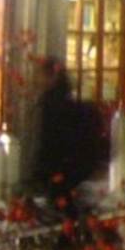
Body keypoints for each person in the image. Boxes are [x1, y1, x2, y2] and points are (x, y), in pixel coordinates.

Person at [28, 57, 103, 220]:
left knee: (61, 203)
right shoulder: (61, 98)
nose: (37, 80)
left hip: (63, 164)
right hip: (72, 162)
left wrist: (41, 169)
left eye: (40, 75)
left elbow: (51, 139)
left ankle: (72, 235)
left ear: (51, 77)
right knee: (63, 202)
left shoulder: (52, 103)